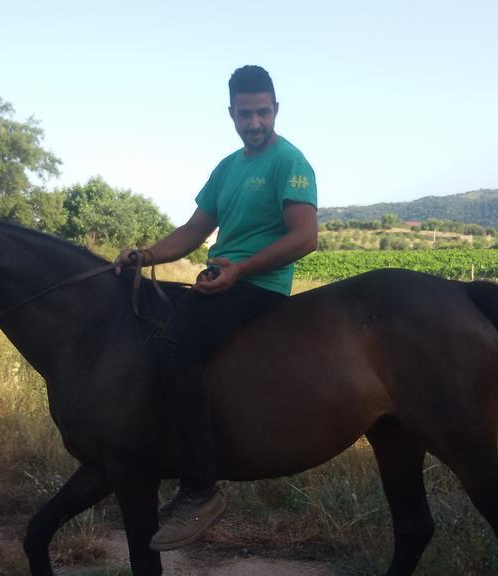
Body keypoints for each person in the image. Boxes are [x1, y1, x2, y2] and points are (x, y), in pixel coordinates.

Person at [114, 65, 318, 551]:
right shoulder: (228, 167)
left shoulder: (290, 162)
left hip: (259, 285)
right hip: (222, 278)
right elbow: (192, 232)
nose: (255, 122)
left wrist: (241, 271)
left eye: (263, 112)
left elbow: (305, 238)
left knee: (176, 352)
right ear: (231, 114)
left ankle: (200, 490)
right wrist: (145, 255)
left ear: (276, 110)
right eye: (245, 113)